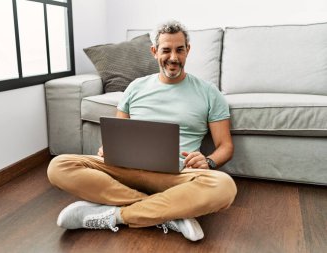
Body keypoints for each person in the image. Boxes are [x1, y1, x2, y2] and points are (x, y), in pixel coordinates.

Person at [47, 20, 237, 241]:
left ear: (188, 51)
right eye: (166, 50)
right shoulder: (135, 87)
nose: (173, 57)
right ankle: (169, 212)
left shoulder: (208, 92)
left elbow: (225, 146)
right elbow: (119, 133)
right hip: (125, 170)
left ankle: (117, 215)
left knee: (224, 187)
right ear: (154, 52)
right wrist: (107, 149)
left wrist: (209, 161)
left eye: (180, 50)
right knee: (58, 166)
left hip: (177, 174)